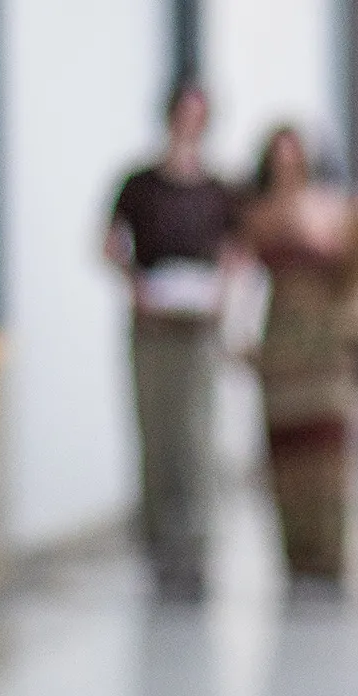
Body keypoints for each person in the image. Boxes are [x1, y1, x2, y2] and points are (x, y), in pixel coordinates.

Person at [106, 81, 244, 593]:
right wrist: (134, 286)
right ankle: (157, 540)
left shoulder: (217, 189)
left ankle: (196, 542)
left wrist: (223, 293)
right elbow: (108, 243)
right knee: (155, 433)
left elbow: (237, 247)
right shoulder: (140, 184)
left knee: (196, 434)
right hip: (154, 323)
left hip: (199, 322)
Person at [240, 124, 358, 590]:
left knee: (328, 446)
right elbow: (243, 276)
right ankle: (295, 556)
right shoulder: (257, 213)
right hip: (280, 340)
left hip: (325, 336)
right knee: (286, 449)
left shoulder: (334, 207)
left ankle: (331, 552)